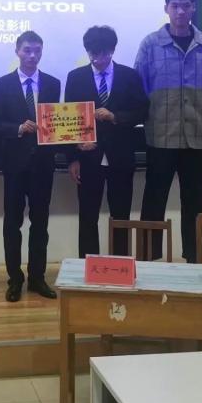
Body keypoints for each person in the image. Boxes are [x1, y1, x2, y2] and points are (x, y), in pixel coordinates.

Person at [135, 0, 202, 263]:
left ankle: (193, 259)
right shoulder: (151, 44)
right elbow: (139, 86)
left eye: (186, 5)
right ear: (166, 8)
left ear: (193, 7)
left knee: (194, 202)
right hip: (161, 136)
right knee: (154, 200)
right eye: (175, 6)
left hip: (196, 136)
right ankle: (149, 259)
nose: (180, 11)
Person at [0, 31, 61, 302]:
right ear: (17, 51)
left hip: (43, 165)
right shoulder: (2, 84)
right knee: (12, 224)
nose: (32, 55)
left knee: (40, 224)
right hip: (14, 165)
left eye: (37, 51)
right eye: (27, 50)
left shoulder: (52, 83)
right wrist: (17, 128)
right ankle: (15, 279)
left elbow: (59, 123)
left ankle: (38, 278)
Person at [64, 26, 149, 258]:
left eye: (103, 53)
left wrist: (115, 117)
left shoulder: (129, 75)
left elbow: (142, 111)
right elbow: (68, 120)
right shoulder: (76, 77)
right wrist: (73, 156)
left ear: (112, 50)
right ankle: (88, 266)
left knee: (121, 215)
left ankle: (120, 265)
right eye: (93, 53)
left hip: (120, 156)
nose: (98, 58)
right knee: (87, 215)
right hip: (87, 158)